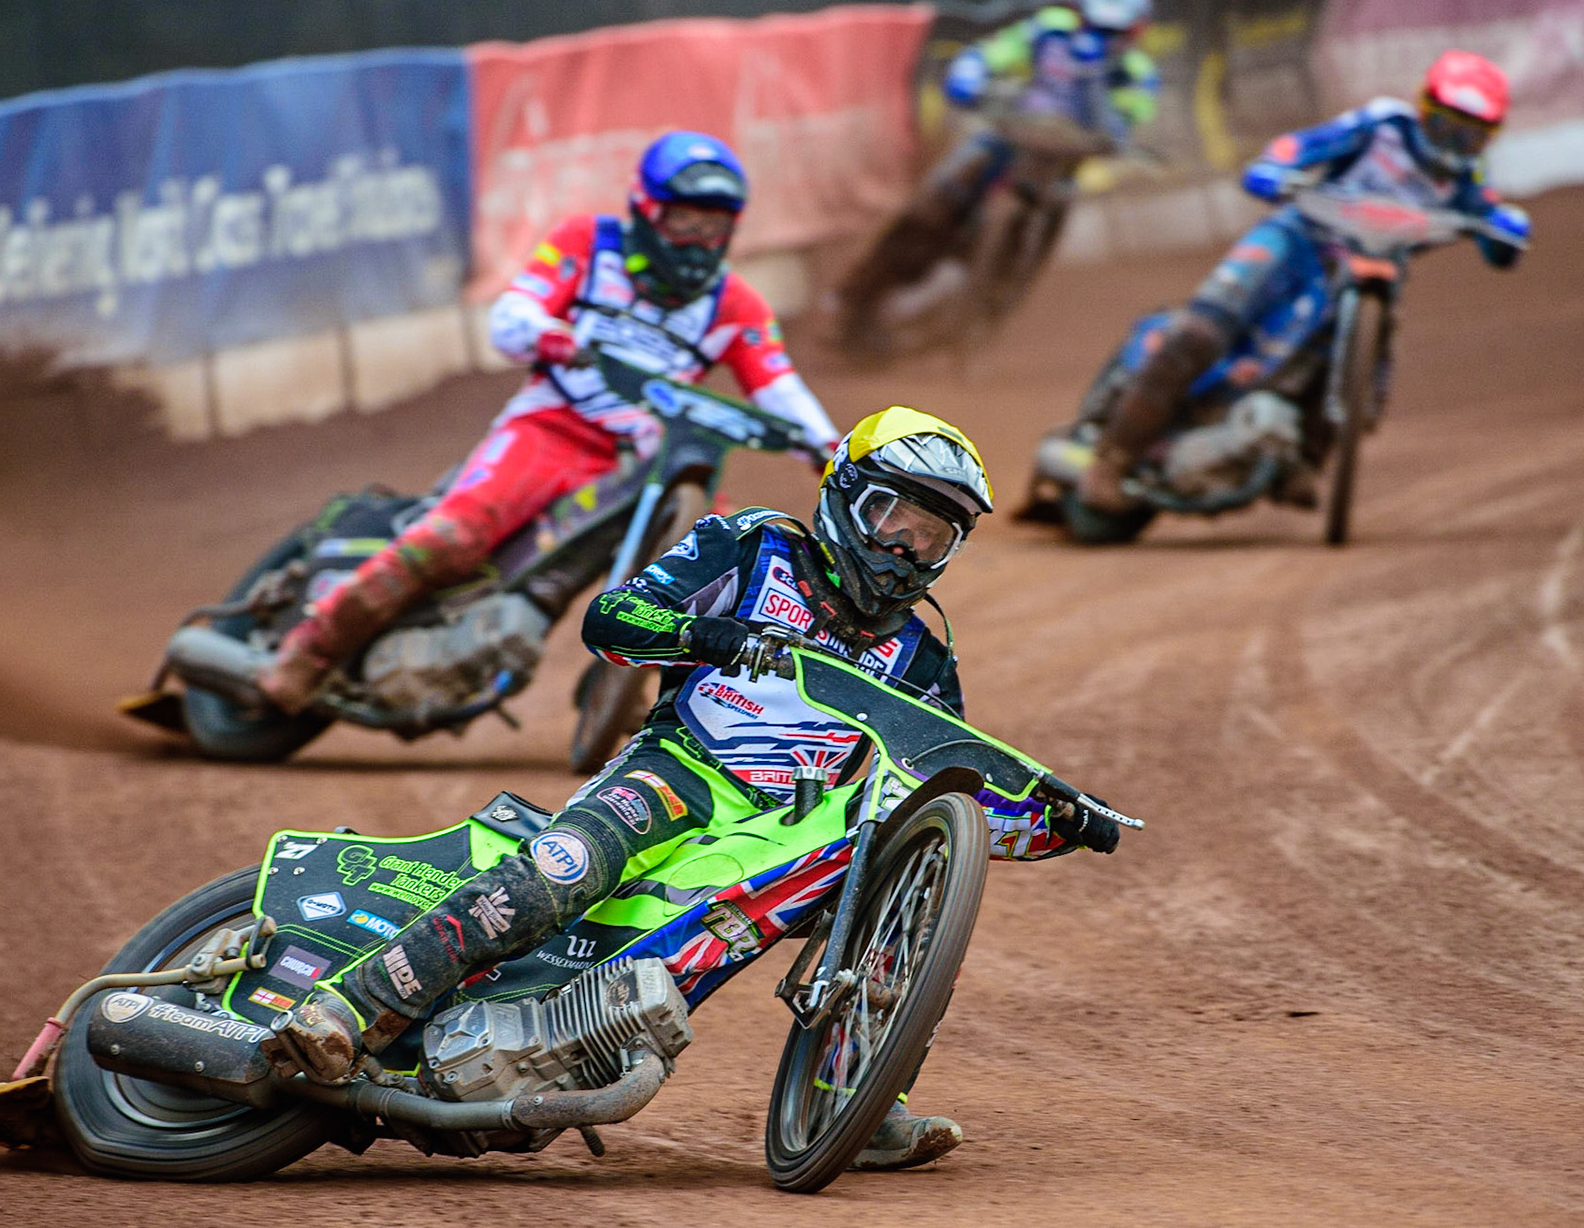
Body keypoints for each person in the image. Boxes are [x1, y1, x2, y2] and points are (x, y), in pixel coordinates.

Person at [264, 408, 1123, 1170]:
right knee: (566, 866)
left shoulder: (925, 658)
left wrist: (1056, 815)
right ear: (843, 495)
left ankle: (864, 1101)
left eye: (933, 537)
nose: (905, 548)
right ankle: (352, 1007)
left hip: (789, 828)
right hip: (680, 772)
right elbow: (611, 619)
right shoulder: (752, 545)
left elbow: (947, 784)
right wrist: (711, 636)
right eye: (892, 516)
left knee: (908, 896)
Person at [255, 130, 842, 712]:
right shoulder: (587, 245)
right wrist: (551, 337)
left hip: (648, 459)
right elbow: (511, 316)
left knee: (724, 565)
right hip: (550, 428)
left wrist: (825, 448)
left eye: (713, 225)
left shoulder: (736, 305)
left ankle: (664, 700)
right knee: (455, 536)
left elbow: (777, 386)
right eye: (684, 220)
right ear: (646, 210)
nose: (697, 241)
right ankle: (309, 648)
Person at [1078, 49, 1532, 512]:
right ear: (1423, 108)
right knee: (1200, 332)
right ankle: (1111, 460)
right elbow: (1302, 145)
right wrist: (1275, 166)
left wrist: (1506, 231)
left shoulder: (1470, 180)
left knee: (1365, 376)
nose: (1455, 145)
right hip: (1297, 240)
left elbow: (1495, 237)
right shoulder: (1383, 126)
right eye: (1445, 127)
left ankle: (1307, 460)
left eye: (1471, 136)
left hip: (1373, 268)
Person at [831, 0, 1158, 347]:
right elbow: (994, 52)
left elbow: (1120, 127)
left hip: (1060, 171)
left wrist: (1093, 79)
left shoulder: (1137, 73)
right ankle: (854, 292)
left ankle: (981, 327)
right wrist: (970, 73)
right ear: (1076, 12)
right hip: (1009, 138)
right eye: (1095, 25)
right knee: (933, 200)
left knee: (1033, 248)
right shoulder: (1048, 32)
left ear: (1136, 29)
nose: (1103, 37)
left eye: (1115, 31)